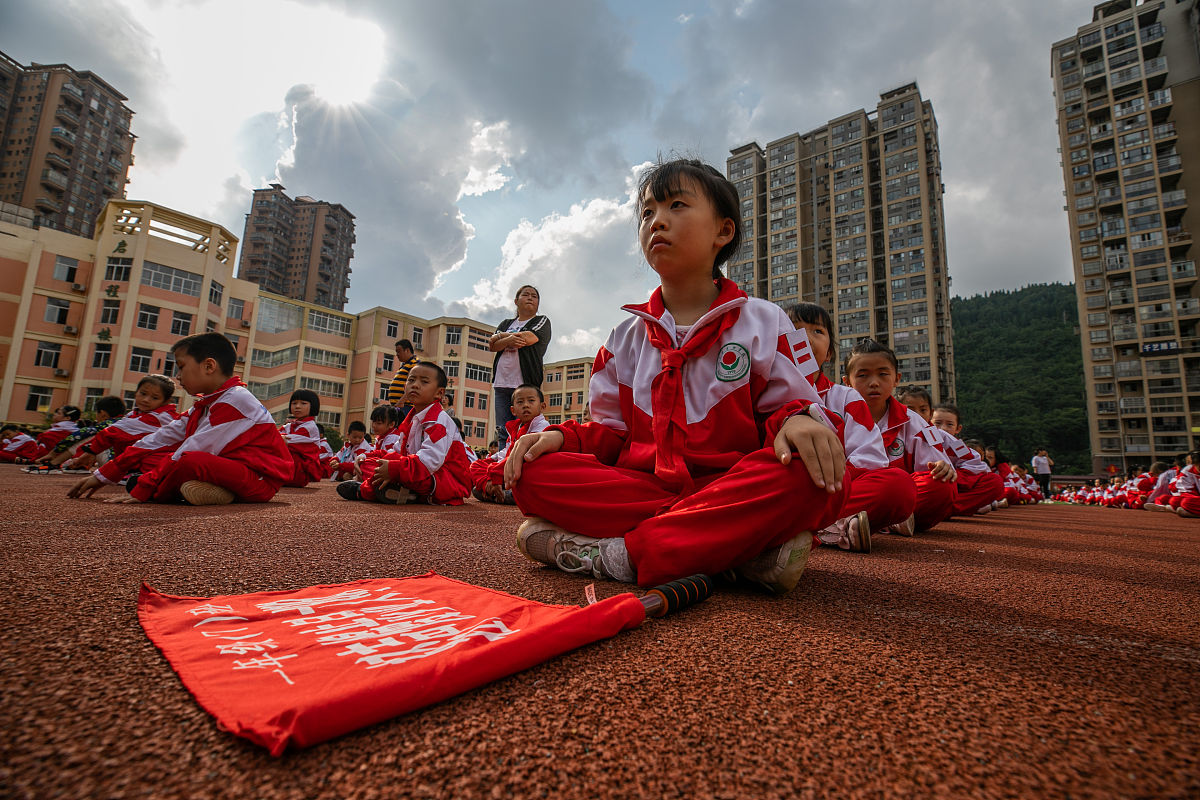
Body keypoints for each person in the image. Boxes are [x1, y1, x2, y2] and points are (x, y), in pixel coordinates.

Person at [504, 158, 847, 593]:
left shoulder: (764, 321)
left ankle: (622, 556)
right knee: (534, 474)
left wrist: (797, 419)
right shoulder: (623, 337)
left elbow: (791, 409)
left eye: (677, 205)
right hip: (648, 488)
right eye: (647, 212)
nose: (657, 221)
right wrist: (563, 438)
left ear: (723, 231)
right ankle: (737, 550)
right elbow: (610, 434)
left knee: (815, 472)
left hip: (730, 483)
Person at [66, 332, 292, 505]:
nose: (177, 376)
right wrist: (104, 474)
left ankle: (185, 493)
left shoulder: (236, 401)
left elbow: (194, 448)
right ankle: (211, 490)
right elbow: (159, 438)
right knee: (159, 456)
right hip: (232, 468)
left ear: (209, 366)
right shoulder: (206, 404)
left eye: (181, 367)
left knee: (189, 459)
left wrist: (146, 490)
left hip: (260, 482)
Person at [786, 302, 913, 553]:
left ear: (830, 352)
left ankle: (799, 528)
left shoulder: (846, 398)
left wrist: (827, 478)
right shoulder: (759, 391)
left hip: (832, 490)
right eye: (795, 330)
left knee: (899, 487)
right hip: (780, 488)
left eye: (817, 332)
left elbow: (871, 457)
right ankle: (831, 528)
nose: (806, 338)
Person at [844, 340, 956, 534]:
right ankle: (874, 520)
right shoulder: (835, 414)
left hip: (894, 494)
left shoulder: (915, 421)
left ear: (897, 379)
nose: (874, 383)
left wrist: (942, 467)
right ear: (847, 382)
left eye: (883, 374)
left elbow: (934, 465)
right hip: (856, 492)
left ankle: (858, 522)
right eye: (863, 375)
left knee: (941, 485)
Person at [338, 361, 471, 505]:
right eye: (411, 380)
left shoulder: (439, 421)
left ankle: (363, 491)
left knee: (393, 470)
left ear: (439, 393)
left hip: (443, 480)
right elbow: (395, 452)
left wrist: (394, 469)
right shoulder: (412, 420)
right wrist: (365, 456)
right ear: (405, 387)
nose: (415, 385)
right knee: (367, 463)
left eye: (424, 382)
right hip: (415, 472)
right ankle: (404, 493)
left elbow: (429, 463)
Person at [63, 375, 178, 472]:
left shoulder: (160, 417)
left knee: (97, 437)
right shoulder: (134, 413)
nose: (146, 400)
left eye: (155, 398)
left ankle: (131, 472)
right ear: (136, 392)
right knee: (98, 439)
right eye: (143, 393)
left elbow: (113, 432)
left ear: (165, 401)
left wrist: (89, 452)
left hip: (154, 462)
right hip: (129, 459)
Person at [489, 285, 551, 447]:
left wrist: (502, 337)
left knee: (527, 429)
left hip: (525, 385)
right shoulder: (506, 322)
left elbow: (528, 338)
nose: (530, 298)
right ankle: (504, 465)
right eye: (526, 295)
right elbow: (492, 345)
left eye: (534, 296)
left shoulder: (541, 321)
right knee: (504, 431)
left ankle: (525, 465)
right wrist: (508, 340)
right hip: (502, 383)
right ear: (516, 301)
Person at [470, 383, 549, 505]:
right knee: (476, 465)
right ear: (513, 410)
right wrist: (491, 461)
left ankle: (500, 491)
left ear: (542, 406)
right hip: (508, 468)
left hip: (527, 466)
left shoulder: (542, 427)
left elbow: (521, 455)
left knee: (525, 468)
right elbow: (506, 451)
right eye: (520, 402)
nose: (526, 405)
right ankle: (492, 488)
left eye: (531, 400)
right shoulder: (514, 428)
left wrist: (495, 473)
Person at [926, 402, 1005, 516]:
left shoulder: (958, 446)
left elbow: (975, 464)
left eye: (949, 425)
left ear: (958, 428)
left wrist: (954, 475)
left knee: (995, 481)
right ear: (929, 423)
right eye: (937, 423)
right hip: (931, 483)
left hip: (953, 483)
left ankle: (946, 509)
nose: (943, 428)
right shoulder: (921, 439)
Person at [31, 396, 129, 469]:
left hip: (115, 465)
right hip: (129, 464)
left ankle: (53, 463)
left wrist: (54, 452)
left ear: (103, 414)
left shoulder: (109, 424)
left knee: (90, 436)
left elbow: (78, 435)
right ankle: (78, 465)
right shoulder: (129, 422)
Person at [279, 389, 325, 488]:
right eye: (294, 403)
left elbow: (281, 440)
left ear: (313, 406)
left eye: (303, 403)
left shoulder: (310, 427)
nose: (297, 406)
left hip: (301, 471)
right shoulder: (290, 426)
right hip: (294, 468)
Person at [385, 339, 419, 417]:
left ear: (407, 350)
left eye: (399, 351)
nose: (397, 354)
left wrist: (401, 401)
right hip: (399, 405)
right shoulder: (405, 365)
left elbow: (412, 386)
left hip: (405, 406)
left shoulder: (414, 364)